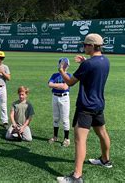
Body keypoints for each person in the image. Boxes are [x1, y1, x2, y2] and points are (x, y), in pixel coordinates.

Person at [56, 34, 112, 183]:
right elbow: (94, 69)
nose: (84, 47)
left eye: (86, 45)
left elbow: (70, 82)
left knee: (80, 140)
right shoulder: (105, 61)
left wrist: (62, 70)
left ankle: (76, 176)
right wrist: (85, 62)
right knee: (102, 134)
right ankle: (106, 160)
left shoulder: (88, 65)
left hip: (86, 106)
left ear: (93, 46)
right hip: (99, 105)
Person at [48, 58, 72, 147]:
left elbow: (65, 87)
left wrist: (56, 86)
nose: (64, 66)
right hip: (55, 97)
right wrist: (60, 85)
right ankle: (55, 136)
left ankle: (66, 138)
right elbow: (50, 85)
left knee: (65, 119)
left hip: (64, 98)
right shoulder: (54, 75)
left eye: (66, 64)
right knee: (56, 117)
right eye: (63, 64)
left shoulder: (68, 75)